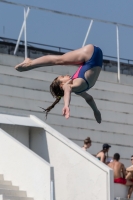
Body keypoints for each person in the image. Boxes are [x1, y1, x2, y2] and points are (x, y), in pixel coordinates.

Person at [15, 44, 103, 123]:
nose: (67, 75)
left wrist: (67, 105)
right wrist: (96, 111)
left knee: (61, 60)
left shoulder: (76, 86)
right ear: (62, 85)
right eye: (63, 76)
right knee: (59, 60)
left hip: (90, 55)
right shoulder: (75, 87)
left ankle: (30, 63)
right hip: (92, 56)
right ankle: (29, 63)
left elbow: (78, 94)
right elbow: (89, 98)